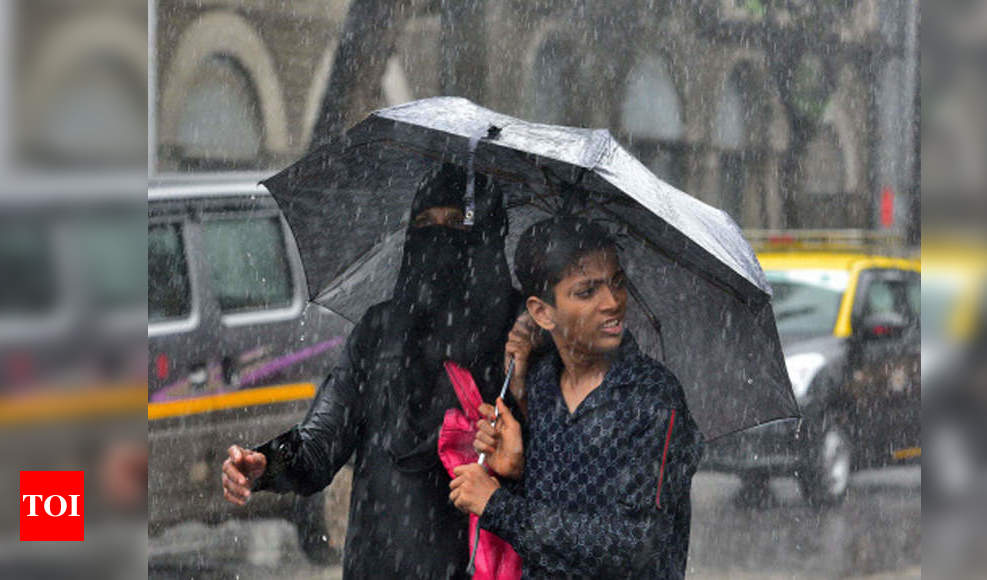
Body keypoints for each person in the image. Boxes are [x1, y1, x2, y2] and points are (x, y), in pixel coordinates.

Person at [220, 164, 521, 579]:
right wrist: (267, 464)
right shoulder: (380, 331)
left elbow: (547, 471)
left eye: (457, 223)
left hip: (475, 564)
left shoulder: (520, 332)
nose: (439, 238)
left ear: (488, 233)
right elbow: (321, 443)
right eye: (424, 223)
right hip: (378, 562)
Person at [448, 216, 703, 579]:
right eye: (587, 292)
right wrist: (514, 471)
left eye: (616, 283)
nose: (613, 302)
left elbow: (638, 545)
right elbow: (551, 517)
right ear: (542, 312)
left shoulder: (652, 396)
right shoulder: (540, 385)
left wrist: (498, 505)